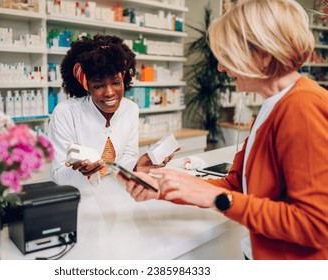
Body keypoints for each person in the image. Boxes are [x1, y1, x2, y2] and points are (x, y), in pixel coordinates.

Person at [117, 0, 328, 260]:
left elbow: (314, 225)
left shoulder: (302, 106)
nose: (220, 67)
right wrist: (165, 188)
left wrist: (212, 196)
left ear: (262, 54)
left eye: (227, 55)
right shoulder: (271, 106)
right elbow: (236, 187)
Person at [48, 34, 175, 188]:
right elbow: (58, 175)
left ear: (124, 80)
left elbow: (127, 156)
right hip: (80, 199)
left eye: (115, 82)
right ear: (86, 86)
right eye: (98, 85)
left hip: (117, 192)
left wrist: (136, 166)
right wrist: (81, 172)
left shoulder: (130, 109)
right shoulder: (65, 113)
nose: (109, 92)